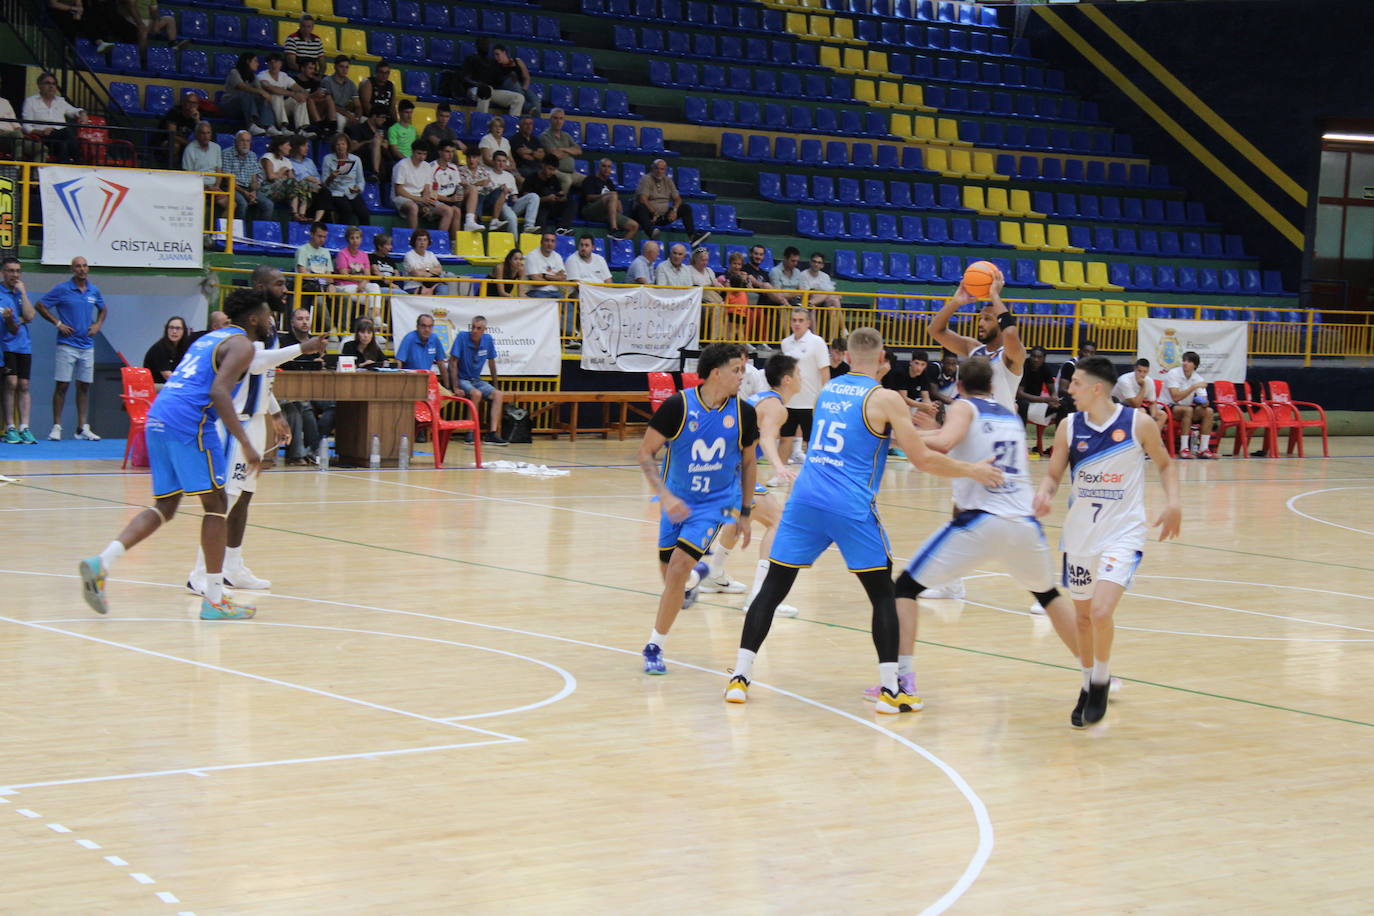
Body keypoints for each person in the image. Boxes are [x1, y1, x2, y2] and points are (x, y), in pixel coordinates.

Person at [722, 328, 1005, 710]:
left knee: (772, 589)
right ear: (883, 357)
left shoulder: (828, 391)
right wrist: (971, 470)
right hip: (849, 505)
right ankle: (891, 690)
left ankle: (740, 677)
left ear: (848, 356)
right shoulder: (885, 397)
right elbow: (920, 458)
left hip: (806, 499)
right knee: (883, 596)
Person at [879, 355, 1082, 705]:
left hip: (983, 520)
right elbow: (947, 437)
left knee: (904, 588)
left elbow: (944, 443)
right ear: (991, 385)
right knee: (1048, 595)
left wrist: (899, 436)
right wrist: (916, 434)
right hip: (1024, 523)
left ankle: (903, 681)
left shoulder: (963, 406)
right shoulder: (1009, 416)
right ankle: (1097, 673)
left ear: (958, 386)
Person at [78, 288, 277, 620]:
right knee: (216, 505)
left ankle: (103, 562)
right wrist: (245, 441)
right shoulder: (241, 344)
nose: (272, 320)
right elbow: (218, 391)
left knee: (166, 506)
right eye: (268, 315)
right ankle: (214, 601)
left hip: (159, 417)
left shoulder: (209, 338)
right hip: (189, 421)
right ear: (254, 318)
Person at [1034, 355, 1182, 726]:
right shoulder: (1069, 426)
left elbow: (1165, 464)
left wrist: (1174, 503)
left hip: (1124, 531)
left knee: (1101, 611)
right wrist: (1045, 493)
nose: (1070, 390)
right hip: (1081, 532)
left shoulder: (1138, 423)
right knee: (1083, 618)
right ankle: (1086, 682)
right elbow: (1053, 474)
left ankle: (1100, 679)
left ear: (1097, 388)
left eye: (1076, 384)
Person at [635, 342, 759, 675]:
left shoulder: (744, 413)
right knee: (672, 580)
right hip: (676, 503)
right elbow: (645, 453)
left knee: (676, 569)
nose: (741, 375)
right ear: (716, 373)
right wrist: (664, 496)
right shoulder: (678, 406)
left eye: (743, 370)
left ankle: (653, 647)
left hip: (716, 504)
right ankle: (693, 580)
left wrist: (745, 512)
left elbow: (749, 464)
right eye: (736, 370)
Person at [188, 310, 329, 594]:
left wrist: (275, 414)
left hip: (254, 421)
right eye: (277, 283)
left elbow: (263, 380)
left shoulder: (267, 337)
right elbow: (257, 364)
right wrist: (304, 347)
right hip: (232, 424)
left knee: (244, 497)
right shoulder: (242, 342)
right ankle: (200, 573)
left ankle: (233, 567)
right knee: (223, 500)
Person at [924, 270, 1026, 600]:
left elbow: (1011, 334)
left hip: (1003, 444)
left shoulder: (1012, 357)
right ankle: (951, 581)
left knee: (1015, 520)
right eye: (979, 318)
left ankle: (1043, 593)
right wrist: (956, 302)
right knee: (961, 511)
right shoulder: (974, 350)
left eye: (985, 318)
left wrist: (995, 298)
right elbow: (935, 330)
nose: (980, 323)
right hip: (975, 439)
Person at [703, 353, 803, 616]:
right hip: (731, 474)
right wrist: (779, 465)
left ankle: (714, 574)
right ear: (788, 379)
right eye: (800, 373)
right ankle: (760, 598)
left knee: (737, 519)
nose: (803, 378)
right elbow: (768, 438)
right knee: (777, 521)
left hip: (722, 471)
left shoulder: (761, 399)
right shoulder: (775, 406)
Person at [36, 257, 106, 441]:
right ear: (72, 269)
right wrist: (58, 323)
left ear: (88, 268)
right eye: (78, 266)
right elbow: (40, 305)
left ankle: (82, 427)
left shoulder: (94, 290)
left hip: (87, 345)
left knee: (84, 386)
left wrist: (98, 324)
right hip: (67, 345)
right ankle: (57, 426)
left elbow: (103, 308)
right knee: (62, 385)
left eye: (84, 266)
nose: (82, 269)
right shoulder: (62, 289)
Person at [276, 307, 333, 465]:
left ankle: (313, 448)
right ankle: (314, 450)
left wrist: (322, 359)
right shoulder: (285, 341)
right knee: (303, 405)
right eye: (300, 319)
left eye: (307, 318)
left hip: (316, 389)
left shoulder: (316, 341)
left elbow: (324, 365)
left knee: (333, 405)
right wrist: (309, 363)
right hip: (293, 389)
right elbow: (283, 365)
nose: (304, 322)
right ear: (292, 322)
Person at [777, 307, 829, 467]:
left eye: (800, 320)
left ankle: (816, 478)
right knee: (785, 438)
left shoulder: (817, 342)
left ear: (808, 322)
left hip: (811, 403)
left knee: (812, 442)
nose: (797, 323)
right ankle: (780, 475)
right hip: (790, 402)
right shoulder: (786, 343)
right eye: (794, 320)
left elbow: (825, 372)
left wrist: (823, 399)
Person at [448, 316, 509, 445]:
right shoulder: (462, 337)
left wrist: (496, 385)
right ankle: (470, 431)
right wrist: (455, 387)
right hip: (462, 378)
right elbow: (453, 363)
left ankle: (492, 434)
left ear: (484, 330)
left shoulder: (487, 340)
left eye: (478, 328)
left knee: (498, 394)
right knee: (476, 394)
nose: (474, 331)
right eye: (473, 327)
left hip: (476, 379)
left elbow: (492, 363)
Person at [0, 258, 37, 443]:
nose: (14, 274)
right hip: (6, 345)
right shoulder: (0, 293)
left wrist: (23, 293)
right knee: (11, 384)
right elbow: (13, 326)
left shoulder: (20, 293)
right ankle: (10, 427)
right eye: (10, 271)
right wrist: (13, 320)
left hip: (24, 345)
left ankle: (24, 427)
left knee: (24, 385)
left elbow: (30, 316)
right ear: (3, 272)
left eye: (17, 271)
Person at [633, 158, 709, 247]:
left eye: (662, 169)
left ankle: (692, 237)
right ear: (652, 169)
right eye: (657, 168)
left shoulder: (668, 181)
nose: (659, 171)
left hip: (662, 216)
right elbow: (643, 199)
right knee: (641, 207)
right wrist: (653, 212)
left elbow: (677, 199)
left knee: (685, 208)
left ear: (665, 170)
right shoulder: (646, 179)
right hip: (648, 216)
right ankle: (651, 233)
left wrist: (674, 210)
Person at [393, 140, 458, 235]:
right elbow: (399, 191)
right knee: (413, 207)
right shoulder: (402, 165)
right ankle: (413, 238)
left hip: (420, 198)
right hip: (403, 198)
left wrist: (426, 203)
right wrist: (420, 200)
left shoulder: (426, 166)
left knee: (448, 210)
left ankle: (438, 240)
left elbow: (427, 189)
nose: (422, 157)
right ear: (412, 151)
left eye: (424, 154)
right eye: (419, 153)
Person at [22, 71, 85, 162]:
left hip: (61, 138)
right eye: (47, 83)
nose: (51, 86)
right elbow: (26, 125)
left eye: (54, 84)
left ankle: (66, 169)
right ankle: (80, 164)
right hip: (43, 137)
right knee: (67, 133)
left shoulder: (60, 101)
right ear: (39, 85)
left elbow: (74, 111)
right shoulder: (30, 101)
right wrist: (41, 132)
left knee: (63, 144)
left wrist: (82, 113)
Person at [1164, 351, 1215, 459]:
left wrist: (1203, 402)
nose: (1185, 363)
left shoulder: (1198, 378)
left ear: (1195, 365)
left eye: (1189, 361)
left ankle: (1203, 449)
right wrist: (1193, 387)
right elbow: (1176, 397)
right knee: (1188, 410)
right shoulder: (1173, 373)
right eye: (1184, 360)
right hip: (1168, 407)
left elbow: (1206, 401)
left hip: (1186, 408)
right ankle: (1184, 449)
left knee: (1209, 411)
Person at [431, 141, 482, 234]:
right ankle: (440, 241)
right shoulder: (431, 168)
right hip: (438, 199)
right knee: (455, 211)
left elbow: (459, 183)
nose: (450, 155)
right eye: (447, 151)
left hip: (452, 198)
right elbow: (431, 194)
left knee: (472, 189)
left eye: (452, 152)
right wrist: (450, 199)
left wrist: (469, 185)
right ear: (440, 152)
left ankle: (469, 222)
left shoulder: (453, 167)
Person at [221, 130, 273, 219]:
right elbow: (228, 181)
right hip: (232, 187)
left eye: (248, 141)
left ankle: (259, 231)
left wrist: (253, 191)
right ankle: (239, 231)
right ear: (235, 141)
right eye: (242, 140)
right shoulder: (226, 154)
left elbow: (254, 179)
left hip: (248, 189)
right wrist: (245, 193)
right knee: (242, 204)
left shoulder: (252, 155)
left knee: (268, 204)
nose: (245, 144)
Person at [334, 226, 381, 325]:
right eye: (352, 238)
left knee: (375, 287)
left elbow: (368, 275)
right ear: (348, 240)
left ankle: (375, 320)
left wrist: (364, 282)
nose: (355, 241)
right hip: (345, 285)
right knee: (371, 299)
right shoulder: (342, 254)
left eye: (357, 238)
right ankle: (375, 327)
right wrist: (361, 280)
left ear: (361, 239)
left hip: (360, 285)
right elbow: (344, 275)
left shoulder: (364, 255)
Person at [580, 158, 637, 239]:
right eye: (604, 166)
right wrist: (607, 196)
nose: (606, 169)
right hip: (590, 210)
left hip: (607, 213)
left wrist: (618, 209)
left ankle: (620, 248)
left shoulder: (610, 183)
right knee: (613, 195)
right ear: (599, 167)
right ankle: (613, 230)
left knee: (634, 226)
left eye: (609, 167)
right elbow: (589, 197)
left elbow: (617, 203)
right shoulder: (590, 179)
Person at [320, 131, 369, 225]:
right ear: (334, 147)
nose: (340, 147)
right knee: (346, 210)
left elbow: (360, 180)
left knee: (364, 213)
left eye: (343, 144)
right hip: (336, 192)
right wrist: (331, 177)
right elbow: (324, 183)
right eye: (337, 144)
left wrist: (357, 188)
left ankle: (365, 237)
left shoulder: (356, 159)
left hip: (351, 192)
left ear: (347, 145)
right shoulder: (328, 159)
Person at [220, 53, 274, 135]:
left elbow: (260, 90)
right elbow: (243, 87)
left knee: (263, 97)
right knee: (246, 93)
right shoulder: (234, 72)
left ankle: (268, 126)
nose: (258, 64)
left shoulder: (253, 76)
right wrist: (261, 92)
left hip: (244, 107)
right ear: (248, 61)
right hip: (230, 105)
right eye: (255, 61)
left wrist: (265, 94)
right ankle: (251, 125)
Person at [1113, 357, 1169, 435]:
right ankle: (1141, 441)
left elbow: (1152, 402)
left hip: (1135, 407)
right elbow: (1135, 405)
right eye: (1139, 371)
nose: (1142, 374)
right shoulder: (1124, 380)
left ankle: (1153, 440)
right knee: (1141, 411)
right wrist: (1143, 387)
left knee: (1162, 415)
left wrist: (1152, 419)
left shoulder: (1149, 381)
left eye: (1145, 372)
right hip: (1118, 406)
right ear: (1135, 369)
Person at [489, 151, 540, 235]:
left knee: (534, 196)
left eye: (504, 161)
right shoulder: (488, 174)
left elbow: (514, 194)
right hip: (498, 206)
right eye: (499, 161)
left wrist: (515, 197)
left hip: (511, 204)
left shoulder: (509, 176)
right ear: (493, 161)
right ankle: (515, 245)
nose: (501, 163)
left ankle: (528, 226)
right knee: (512, 218)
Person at [459, 145, 508, 230]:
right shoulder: (460, 170)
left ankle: (495, 221)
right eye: (469, 157)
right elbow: (462, 188)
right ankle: (473, 222)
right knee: (478, 195)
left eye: (474, 157)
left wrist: (500, 187)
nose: (471, 160)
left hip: (485, 197)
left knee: (502, 190)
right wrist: (478, 183)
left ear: (478, 159)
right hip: (467, 200)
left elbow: (490, 186)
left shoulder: (483, 171)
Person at [258, 52, 309, 133]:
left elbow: (299, 88)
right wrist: (293, 94)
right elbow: (270, 88)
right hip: (268, 109)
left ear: (281, 63)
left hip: (282, 108)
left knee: (299, 99)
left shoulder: (284, 76)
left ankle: (301, 129)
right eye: (271, 63)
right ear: (267, 64)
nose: (274, 65)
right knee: (277, 95)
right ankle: (283, 128)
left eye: (276, 62)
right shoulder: (262, 75)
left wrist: (302, 94)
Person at [523, 160, 576, 235]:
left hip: (552, 206)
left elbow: (559, 192)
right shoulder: (531, 178)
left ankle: (562, 229)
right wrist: (545, 199)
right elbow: (526, 198)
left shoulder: (553, 178)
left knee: (571, 202)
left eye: (554, 170)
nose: (552, 172)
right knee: (542, 212)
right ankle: (542, 236)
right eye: (550, 169)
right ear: (543, 165)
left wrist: (561, 198)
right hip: (538, 208)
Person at [538, 109, 584, 195]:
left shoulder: (566, 135)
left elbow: (579, 150)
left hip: (572, 172)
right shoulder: (545, 136)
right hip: (555, 171)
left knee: (588, 181)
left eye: (561, 118)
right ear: (550, 119)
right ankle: (560, 202)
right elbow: (554, 155)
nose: (558, 121)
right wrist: (570, 151)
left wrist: (563, 149)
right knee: (567, 180)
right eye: (555, 118)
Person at [288, 134, 330, 223]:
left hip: (315, 188)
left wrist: (315, 183)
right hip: (301, 190)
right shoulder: (289, 162)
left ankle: (317, 221)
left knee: (325, 192)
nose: (307, 148)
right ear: (296, 147)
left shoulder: (310, 161)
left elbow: (317, 177)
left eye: (308, 146)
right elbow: (294, 180)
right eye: (304, 146)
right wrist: (308, 180)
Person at [489, 44, 540, 117]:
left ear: (504, 52)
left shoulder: (517, 61)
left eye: (497, 54)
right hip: (507, 88)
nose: (496, 57)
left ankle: (533, 122)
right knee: (513, 81)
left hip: (522, 88)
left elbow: (527, 77)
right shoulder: (496, 65)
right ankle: (528, 109)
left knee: (535, 101)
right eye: (494, 55)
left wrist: (524, 89)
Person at [1016, 345, 1059, 430]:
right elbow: (1019, 394)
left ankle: (1060, 436)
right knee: (1023, 404)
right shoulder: (1023, 366)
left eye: (1039, 357)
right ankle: (1022, 435)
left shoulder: (1046, 368)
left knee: (1064, 405)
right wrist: (1044, 400)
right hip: (1019, 401)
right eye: (1033, 356)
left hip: (1036, 402)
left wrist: (1054, 399)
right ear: (1030, 356)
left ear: (1044, 358)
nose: (1036, 359)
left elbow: (1052, 391)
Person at [180, 121, 223, 203]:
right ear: (197, 135)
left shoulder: (216, 148)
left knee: (232, 205)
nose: (206, 136)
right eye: (202, 133)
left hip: (214, 188)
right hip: (197, 188)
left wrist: (216, 187)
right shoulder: (189, 149)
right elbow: (188, 175)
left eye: (208, 133)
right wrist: (207, 188)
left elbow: (219, 171)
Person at [345, 105, 389, 184]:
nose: (384, 120)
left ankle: (377, 174)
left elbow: (386, 146)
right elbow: (353, 147)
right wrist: (369, 142)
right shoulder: (359, 128)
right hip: (364, 159)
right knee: (376, 142)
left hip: (382, 159)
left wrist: (380, 141)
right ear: (374, 116)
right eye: (382, 117)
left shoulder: (382, 130)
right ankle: (376, 172)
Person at [258, 134, 299, 216]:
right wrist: (281, 172)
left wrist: (279, 175)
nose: (290, 148)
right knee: (292, 184)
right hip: (264, 188)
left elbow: (292, 178)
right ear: (280, 146)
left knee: (303, 185)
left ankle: (297, 214)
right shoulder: (268, 157)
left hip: (280, 189)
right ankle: (295, 213)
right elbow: (270, 177)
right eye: (288, 145)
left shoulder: (287, 161)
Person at [157, 90, 201, 167]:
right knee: (175, 145)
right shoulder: (174, 112)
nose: (191, 106)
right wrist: (190, 144)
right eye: (189, 102)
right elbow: (172, 135)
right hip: (165, 142)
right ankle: (173, 170)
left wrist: (197, 121)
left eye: (194, 103)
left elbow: (203, 134)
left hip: (186, 144)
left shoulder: (197, 115)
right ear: (183, 103)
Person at [142, 315, 189, 384]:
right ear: (166, 330)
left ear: (184, 331)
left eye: (178, 328)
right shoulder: (160, 348)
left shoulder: (184, 347)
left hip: (171, 385)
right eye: (171, 328)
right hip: (155, 386)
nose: (174, 331)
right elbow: (167, 376)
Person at [401, 228, 448, 295]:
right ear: (414, 241)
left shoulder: (431, 254)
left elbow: (439, 270)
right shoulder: (409, 255)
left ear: (428, 242)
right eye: (419, 240)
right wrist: (432, 272)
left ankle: (442, 305)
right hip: (413, 287)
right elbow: (417, 274)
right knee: (424, 292)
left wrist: (425, 269)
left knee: (443, 287)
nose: (422, 243)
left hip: (432, 285)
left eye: (425, 240)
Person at [524, 232, 567, 300]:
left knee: (569, 310)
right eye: (547, 240)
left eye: (552, 241)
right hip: (536, 292)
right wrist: (555, 278)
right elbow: (536, 281)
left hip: (556, 293)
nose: (549, 244)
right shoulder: (532, 256)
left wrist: (545, 276)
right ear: (541, 242)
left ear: (555, 244)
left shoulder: (557, 256)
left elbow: (563, 278)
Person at [323, 55, 361, 132]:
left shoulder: (351, 84)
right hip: (329, 112)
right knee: (341, 119)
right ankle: (337, 140)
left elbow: (358, 105)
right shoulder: (327, 81)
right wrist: (348, 114)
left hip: (345, 112)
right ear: (335, 67)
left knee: (364, 121)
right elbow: (328, 104)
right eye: (341, 67)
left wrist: (357, 118)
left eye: (347, 67)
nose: (344, 70)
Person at [359, 61, 398, 126]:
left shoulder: (391, 85)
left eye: (387, 73)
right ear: (376, 72)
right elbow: (366, 104)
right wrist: (377, 119)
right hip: (371, 117)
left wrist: (396, 123)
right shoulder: (368, 83)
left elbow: (392, 107)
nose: (384, 75)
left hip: (386, 118)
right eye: (381, 72)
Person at [509, 113, 544, 180]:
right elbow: (523, 155)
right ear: (520, 126)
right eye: (526, 124)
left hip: (536, 167)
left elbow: (542, 156)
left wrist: (530, 151)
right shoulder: (515, 139)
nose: (529, 126)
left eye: (530, 124)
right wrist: (535, 153)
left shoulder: (535, 139)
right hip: (522, 168)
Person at [386, 99, 418, 163]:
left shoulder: (413, 129)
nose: (409, 116)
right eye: (406, 112)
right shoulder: (393, 129)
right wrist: (408, 161)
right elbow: (395, 151)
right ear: (400, 113)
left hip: (413, 160)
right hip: (400, 161)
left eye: (411, 112)